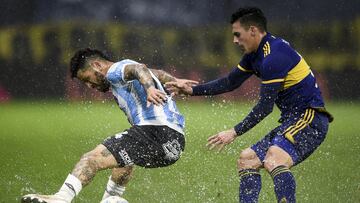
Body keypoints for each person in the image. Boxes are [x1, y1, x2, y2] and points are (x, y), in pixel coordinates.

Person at [166, 7, 333, 203]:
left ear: (253, 30)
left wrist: (234, 131)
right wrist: (192, 91)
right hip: (291, 120)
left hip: (310, 118)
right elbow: (230, 82)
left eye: (237, 34)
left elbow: (265, 107)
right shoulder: (256, 55)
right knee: (247, 159)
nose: (234, 41)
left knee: (274, 159)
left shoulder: (275, 55)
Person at [21, 48, 197, 203]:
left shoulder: (114, 70)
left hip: (156, 131)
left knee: (91, 159)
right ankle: (111, 199)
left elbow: (140, 69)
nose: (90, 86)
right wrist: (175, 81)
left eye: (87, 79)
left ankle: (61, 198)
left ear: (97, 65)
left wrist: (150, 89)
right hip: (173, 145)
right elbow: (156, 72)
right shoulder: (120, 76)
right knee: (124, 161)